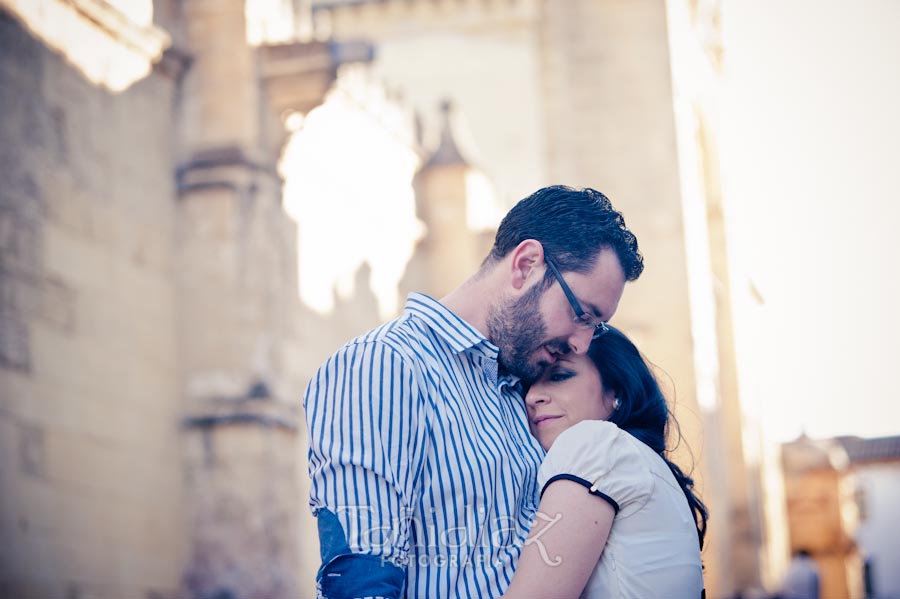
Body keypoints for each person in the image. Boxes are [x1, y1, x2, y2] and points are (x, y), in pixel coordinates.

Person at [304, 186, 644, 598]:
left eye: (596, 326)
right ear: (526, 265)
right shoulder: (384, 365)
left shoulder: (523, 391)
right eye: (581, 315)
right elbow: (360, 584)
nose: (582, 344)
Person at [503, 326, 708, 599]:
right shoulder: (642, 463)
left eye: (560, 376)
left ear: (616, 391)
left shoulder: (593, 442)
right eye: (528, 385)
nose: (531, 397)